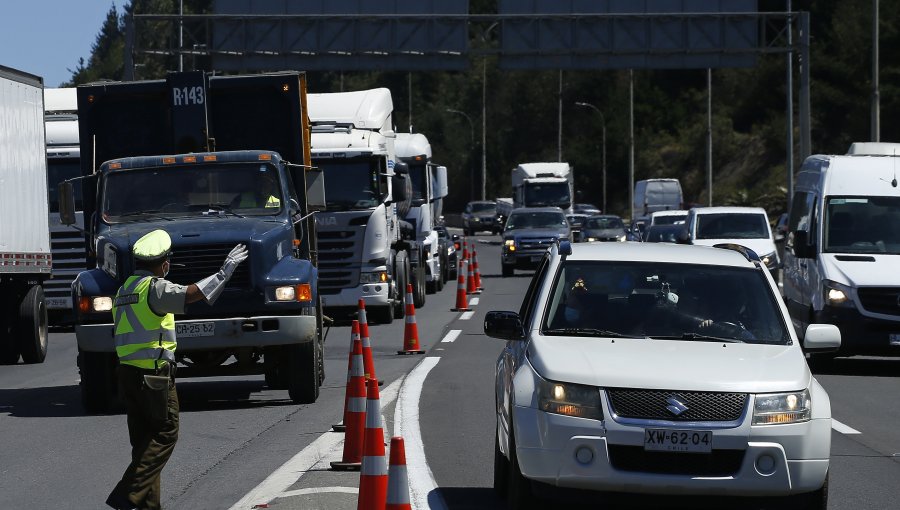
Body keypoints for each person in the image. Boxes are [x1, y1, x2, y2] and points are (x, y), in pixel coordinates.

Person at [105, 229, 248, 510]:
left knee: (145, 444)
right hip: (154, 376)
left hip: (128, 374)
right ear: (165, 263)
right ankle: (127, 494)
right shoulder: (153, 288)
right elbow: (190, 294)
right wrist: (224, 272)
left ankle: (148, 506)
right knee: (166, 432)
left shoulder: (124, 291)